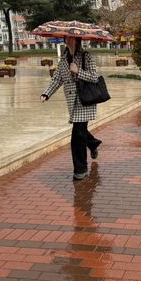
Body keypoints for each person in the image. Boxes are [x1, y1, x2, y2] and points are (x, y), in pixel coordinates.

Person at [41, 37, 102, 180]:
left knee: (77, 136)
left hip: (84, 100)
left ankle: (80, 169)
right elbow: (57, 79)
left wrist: (78, 71)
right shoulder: (63, 60)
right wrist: (46, 93)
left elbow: (94, 77)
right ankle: (93, 144)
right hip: (72, 103)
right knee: (80, 132)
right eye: (66, 39)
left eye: (70, 39)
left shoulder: (86, 56)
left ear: (77, 40)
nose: (67, 42)